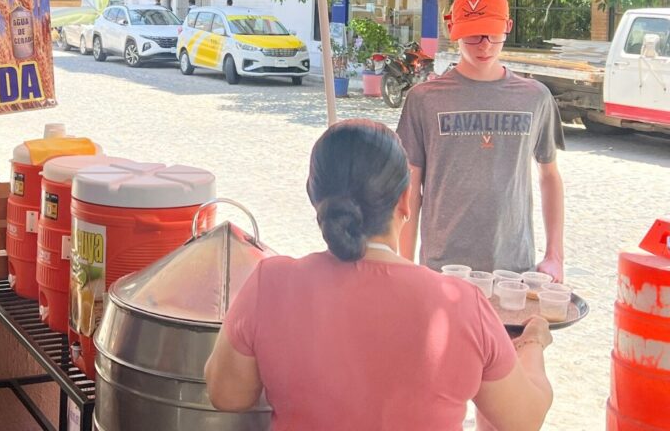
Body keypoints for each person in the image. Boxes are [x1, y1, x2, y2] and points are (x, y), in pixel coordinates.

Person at [205, 120, 554, 430]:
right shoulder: (461, 304)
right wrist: (532, 341)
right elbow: (524, 419)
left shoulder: (271, 283)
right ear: (405, 200)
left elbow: (227, 395)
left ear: (314, 197)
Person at [397, 0, 565, 282]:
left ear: (508, 27)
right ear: (453, 30)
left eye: (493, 33)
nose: (484, 45)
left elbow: (549, 176)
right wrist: (405, 265)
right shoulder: (424, 99)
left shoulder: (535, 97)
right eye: (473, 34)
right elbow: (411, 188)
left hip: (513, 267)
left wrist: (555, 255)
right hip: (443, 267)